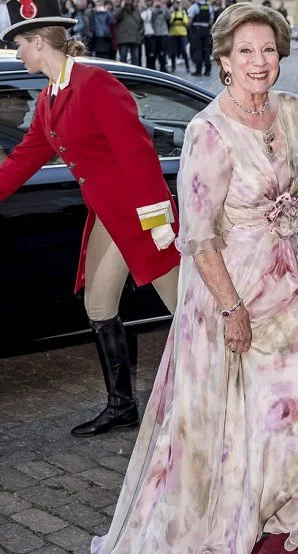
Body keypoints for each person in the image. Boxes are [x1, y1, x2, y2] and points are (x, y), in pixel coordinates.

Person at [91, 4, 298, 554]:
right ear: (224, 61)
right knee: (255, 418)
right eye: (245, 52)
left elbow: (294, 190)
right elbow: (200, 236)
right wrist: (231, 310)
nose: (259, 62)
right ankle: (273, 510)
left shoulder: (289, 111)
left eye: (269, 50)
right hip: (240, 290)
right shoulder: (208, 131)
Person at [0, 0, 180, 438]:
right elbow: (23, 160)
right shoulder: (50, 98)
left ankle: (233, 390)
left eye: (20, 45)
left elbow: (136, 152)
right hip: (108, 220)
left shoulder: (94, 83)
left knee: (192, 310)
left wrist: (158, 221)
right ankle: (122, 406)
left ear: (39, 42)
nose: (18, 54)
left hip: (141, 218)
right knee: (99, 304)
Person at [187, 0, 213, 76]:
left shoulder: (194, 7)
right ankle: (207, 71)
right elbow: (211, 19)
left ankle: (198, 71)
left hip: (197, 30)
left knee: (198, 51)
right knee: (206, 51)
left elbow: (190, 21)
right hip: (206, 30)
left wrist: (189, 28)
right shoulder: (209, 7)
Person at [116, 0, 144, 66]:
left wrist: (140, 35)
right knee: (123, 57)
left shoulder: (136, 11)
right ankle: (123, 72)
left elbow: (141, 23)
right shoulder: (120, 9)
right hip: (123, 38)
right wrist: (122, 8)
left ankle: (135, 73)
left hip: (135, 38)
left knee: (135, 58)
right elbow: (116, 17)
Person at [150, 0, 171, 72]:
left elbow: (168, 17)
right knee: (154, 51)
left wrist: (164, 8)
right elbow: (151, 17)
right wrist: (154, 8)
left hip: (163, 33)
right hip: (154, 33)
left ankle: (163, 66)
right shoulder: (151, 9)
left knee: (163, 52)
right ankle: (152, 67)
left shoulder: (164, 8)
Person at [169, 0, 189, 73]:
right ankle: (173, 67)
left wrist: (179, 13)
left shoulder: (183, 12)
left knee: (184, 51)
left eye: (178, 3)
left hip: (182, 34)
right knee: (173, 52)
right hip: (173, 34)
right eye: (175, 4)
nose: (176, 5)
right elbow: (170, 21)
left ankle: (187, 67)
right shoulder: (171, 12)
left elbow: (186, 22)